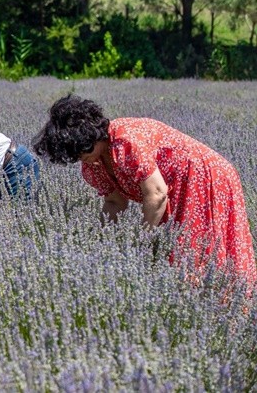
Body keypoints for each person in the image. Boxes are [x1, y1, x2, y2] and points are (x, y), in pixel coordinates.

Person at [32, 94, 257, 285]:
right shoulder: (94, 163)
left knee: (195, 257)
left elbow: (157, 194)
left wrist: (142, 241)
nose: (82, 157)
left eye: (83, 149)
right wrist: (99, 240)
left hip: (203, 177)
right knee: (180, 260)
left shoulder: (124, 141)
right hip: (176, 189)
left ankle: (230, 314)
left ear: (91, 134)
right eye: (75, 154)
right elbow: (115, 203)